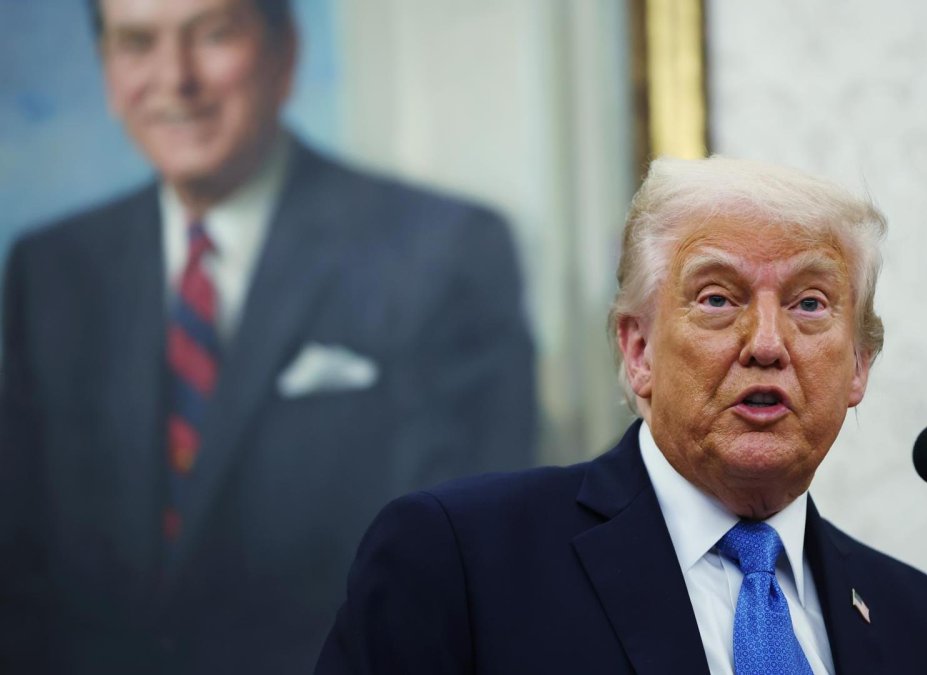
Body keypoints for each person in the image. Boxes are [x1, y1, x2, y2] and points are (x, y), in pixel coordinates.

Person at [0, 0, 535, 672]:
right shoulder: (51, 271)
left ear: (285, 54)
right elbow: (21, 575)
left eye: (213, 35)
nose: (175, 78)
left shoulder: (443, 252)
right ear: (107, 71)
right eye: (137, 44)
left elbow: (459, 575)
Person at [316, 156, 927, 674]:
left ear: (859, 366)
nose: (766, 343)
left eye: (809, 303)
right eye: (718, 298)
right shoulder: (459, 559)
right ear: (638, 350)